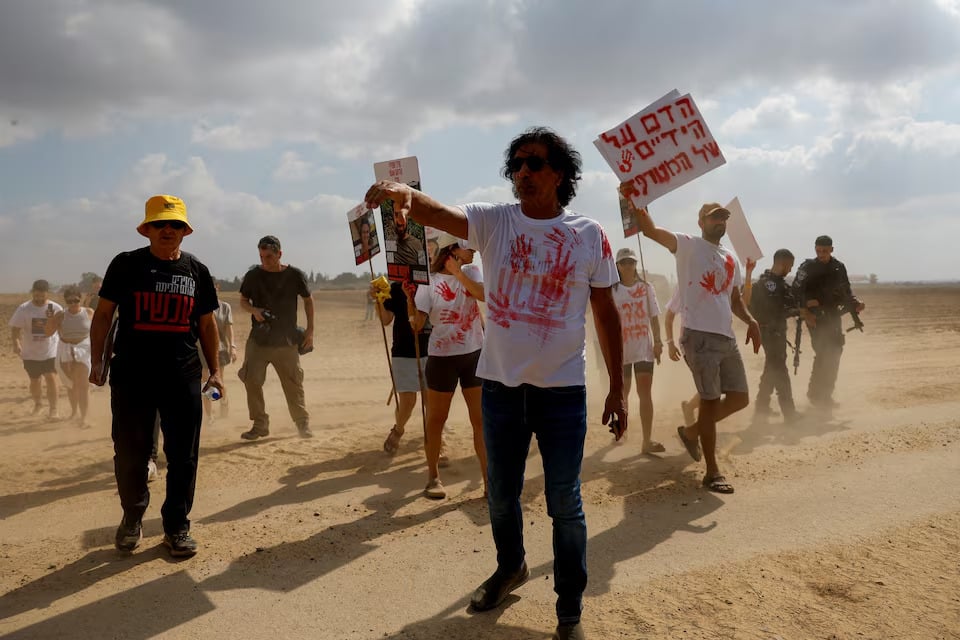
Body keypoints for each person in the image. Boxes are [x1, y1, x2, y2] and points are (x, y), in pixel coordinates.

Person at [365, 126, 625, 640]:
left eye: (535, 163)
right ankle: (511, 568)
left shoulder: (589, 234)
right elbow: (439, 215)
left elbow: (605, 311)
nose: (523, 173)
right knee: (501, 496)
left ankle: (569, 609)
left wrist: (617, 386)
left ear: (560, 174)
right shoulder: (493, 221)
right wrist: (405, 195)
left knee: (564, 502)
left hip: (562, 393)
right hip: (501, 389)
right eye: (517, 165)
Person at [89, 194, 223, 557]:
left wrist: (216, 371)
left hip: (183, 377)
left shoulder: (197, 271)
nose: (168, 230)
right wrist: (97, 361)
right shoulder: (126, 265)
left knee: (184, 456)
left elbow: (208, 325)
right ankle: (132, 517)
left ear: (185, 231)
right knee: (130, 453)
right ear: (147, 229)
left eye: (176, 224)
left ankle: (177, 527)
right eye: (161, 223)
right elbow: (103, 316)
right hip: (132, 376)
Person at [628, 196, 761, 495]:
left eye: (723, 218)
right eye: (714, 217)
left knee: (740, 398)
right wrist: (636, 202)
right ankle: (712, 471)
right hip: (698, 336)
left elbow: (735, 299)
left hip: (726, 336)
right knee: (711, 401)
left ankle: (690, 432)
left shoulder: (730, 258)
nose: (720, 222)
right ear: (700, 223)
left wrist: (751, 321)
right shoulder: (687, 245)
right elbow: (650, 231)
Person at [406, 232, 486, 499]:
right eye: (466, 247)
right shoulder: (429, 282)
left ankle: (490, 482)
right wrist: (409, 298)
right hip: (441, 358)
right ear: (452, 250)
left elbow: (482, 296)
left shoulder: (472, 271)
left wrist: (458, 273)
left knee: (481, 422)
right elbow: (417, 325)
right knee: (437, 421)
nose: (472, 250)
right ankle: (433, 478)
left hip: (473, 354)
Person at [237, 235, 315, 440]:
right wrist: (254, 310)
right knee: (251, 380)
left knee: (293, 383)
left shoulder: (295, 275)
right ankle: (260, 424)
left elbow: (308, 301)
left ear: (280, 254)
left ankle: (302, 424)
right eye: (262, 257)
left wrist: (310, 331)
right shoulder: (253, 275)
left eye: (269, 257)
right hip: (259, 340)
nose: (265, 261)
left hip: (286, 341)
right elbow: (243, 301)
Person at [792, 235, 865, 407]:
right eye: (818, 251)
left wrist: (856, 303)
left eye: (825, 251)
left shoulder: (838, 268)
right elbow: (795, 292)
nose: (821, 254)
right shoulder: (807, 267)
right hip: (815, 317)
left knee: (836, 352)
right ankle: (816, 394)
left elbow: (846, 290)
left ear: (832, 249)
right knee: (824, 353)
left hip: (833, 315)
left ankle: (825, 394)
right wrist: (807, 306)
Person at [612, 247, 664, 453]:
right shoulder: (612, 290)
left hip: (644, 348)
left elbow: (654, 317)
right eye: (624, 262)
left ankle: (647, 440)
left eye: (631, 262)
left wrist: (658, 342)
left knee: (645, 393)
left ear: (636, 264)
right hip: (621, 351)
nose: (628, 266)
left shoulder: (646, 288)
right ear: (617, 266)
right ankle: (621, 429)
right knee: (623, 393)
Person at [374, 280, 431, 455]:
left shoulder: (433, 283)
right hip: (403, 350)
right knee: (408, 402)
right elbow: (386, 319)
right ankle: (398, 430)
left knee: (432, 401)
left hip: (432, 349)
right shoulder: (396, 288)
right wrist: (378, 300)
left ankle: (436, 437)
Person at [749, 249, 802, 421]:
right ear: (783, 263)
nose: (790, 270)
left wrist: (798, 309)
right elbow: (775, 311)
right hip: (770, 333)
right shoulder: (768, 285)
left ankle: (761, 409)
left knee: (771, 369)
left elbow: (789, 304)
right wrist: (797, 311)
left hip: (775, 333)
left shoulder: (779, 284)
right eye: (790, 266)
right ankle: (789, 413)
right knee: (780, 371)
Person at [9, 279, 61, 418]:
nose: (39, 299)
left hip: (50, 350)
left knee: (51, 377)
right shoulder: (24, 308)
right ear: (33, 293)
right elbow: (15, 329)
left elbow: (63, 327)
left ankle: (53, 410)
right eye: (36, 295)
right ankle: (38, 404)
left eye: (42, 296)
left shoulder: (55, 308)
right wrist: (16, 343)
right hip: (30, 352)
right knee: (35, 381)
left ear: (47, 293)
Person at [44, 286, 94, 424]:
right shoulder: (60, 315)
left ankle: (84, 417)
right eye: (69, 301)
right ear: (65, 301)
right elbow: (48, 333)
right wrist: (50, 320)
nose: (73, 304)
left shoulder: (89, 312)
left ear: (80, 299)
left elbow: (99, 330)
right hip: (65, 348)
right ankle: (74, 412)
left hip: (84, 348)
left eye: (76, 300)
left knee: (83, 384)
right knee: (71, 384)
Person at [663, 288, 701, 426]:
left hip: (714, 344)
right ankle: (700, 428)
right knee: (709, 385)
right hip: (691, 344)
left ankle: (690, 408)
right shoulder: (685, 286)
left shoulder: (716, 281)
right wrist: (670, 343)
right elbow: (669, 318)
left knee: (713, 385)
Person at [201, 280, 236, 420]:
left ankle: (223, 401)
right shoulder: (200, 306)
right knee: (205, 382)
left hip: (219, 349)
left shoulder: (224, 307)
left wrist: (232, 346)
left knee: (218, 380)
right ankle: (209, 415)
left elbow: (229, 329)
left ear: (217, 288)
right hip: (201, 349)